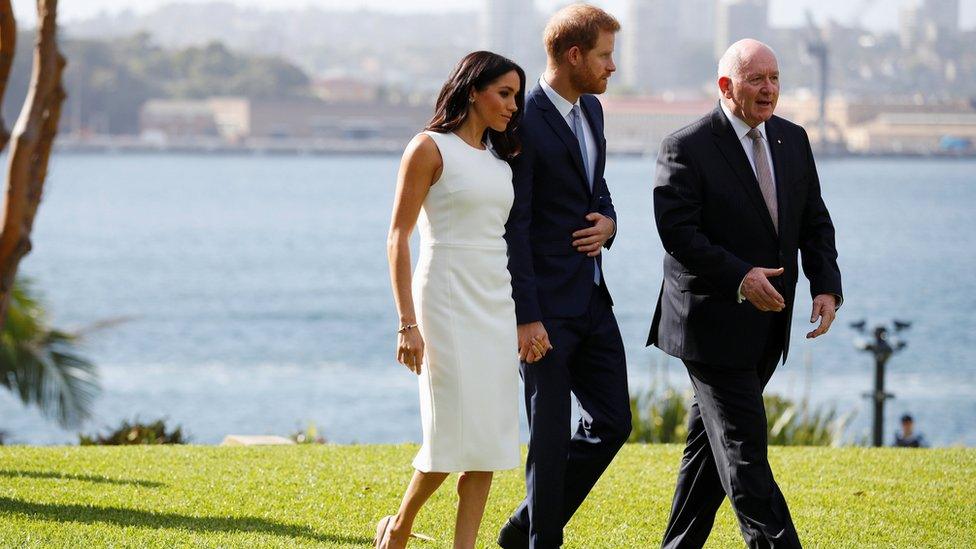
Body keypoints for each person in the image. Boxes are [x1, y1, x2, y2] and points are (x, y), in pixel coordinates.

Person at [648, 39, 843, 548]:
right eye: (756, 78)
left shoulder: (793, 140)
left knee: (708, 455)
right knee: (743, 452)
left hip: (768, 326)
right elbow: (679, 234)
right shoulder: (685, 145)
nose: (769, 88)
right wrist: (740, 276)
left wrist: (827, 286)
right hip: (710, 326)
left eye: (775, 77)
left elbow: (814, 222)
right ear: (725, 86)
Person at [381, 51, 532, 549]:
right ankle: (400, 526)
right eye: (504, 93)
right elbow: (398, 237)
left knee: (488, 440)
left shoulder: (500, 159)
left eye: (516, 95)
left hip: (494, 299)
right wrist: (407, 324)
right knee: (449, 434)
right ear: (473, 90)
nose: (513, 105)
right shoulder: (428, 148)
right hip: (444, 294)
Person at [498, 5, 630, 548]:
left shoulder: (593, 109)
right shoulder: (522, 121)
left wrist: (610, 222)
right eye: (604, 55)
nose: (612, 67)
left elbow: (595, 186)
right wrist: (526, 317)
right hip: (545, 311)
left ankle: (522, 528)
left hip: (594, 300)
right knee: (548, 441)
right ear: (573, 55)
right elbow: (515, 226)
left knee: (615, 423)